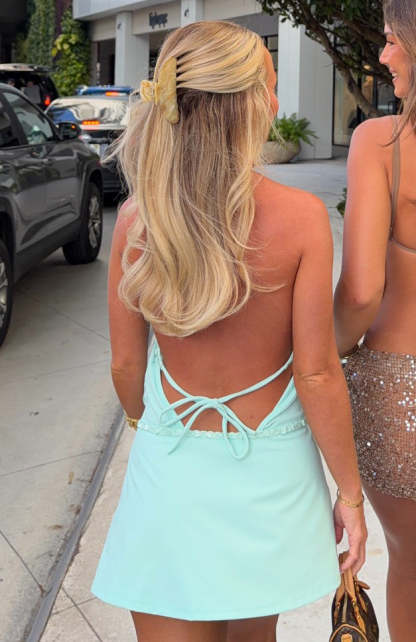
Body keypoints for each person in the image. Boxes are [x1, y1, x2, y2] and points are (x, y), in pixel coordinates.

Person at [92, 21, 366, 642]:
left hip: (171, 471)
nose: (277, 100)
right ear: (244, 105)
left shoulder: (137, 220)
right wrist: (349, 495)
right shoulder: (301, 219)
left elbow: (126, 367)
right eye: (269, 85)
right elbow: (316, 372)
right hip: (270, 473)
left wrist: (147, 424)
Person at [334, 1, 416, 640]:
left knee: (411, 566)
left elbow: (361, 293)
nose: (383, 55)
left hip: (399, 392)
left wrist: (319, 355)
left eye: (392, 39)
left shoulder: (381, 142)